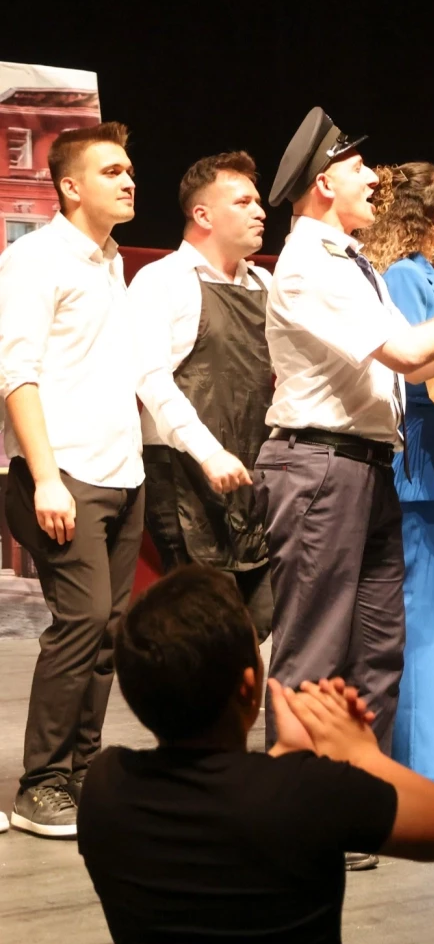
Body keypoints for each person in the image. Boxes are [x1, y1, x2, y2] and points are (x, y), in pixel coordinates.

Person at [256, 107, 434, 763]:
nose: (372, 181)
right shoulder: (309, 264)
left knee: (378, 647)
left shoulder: (349, 261)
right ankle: (295, 798)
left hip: (365, 465)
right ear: (324, 182)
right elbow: (408, 351)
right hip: (320, 465)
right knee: (314, 651)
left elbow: (420, 366)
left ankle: (358, 788)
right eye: (358, 168)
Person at [76, 565, 434, 944]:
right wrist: (362, 753)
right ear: (249, 687)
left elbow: (243, 802)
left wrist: (289, 758)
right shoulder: (307, 793)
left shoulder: (106, 787)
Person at [0, 122, 147, 838]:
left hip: (122, 471)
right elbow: (16, 373)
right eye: (112, 171)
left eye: (129, 170)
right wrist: (46, 478)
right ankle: (41, 784)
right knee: (82, 620)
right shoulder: (36, 259)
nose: (129, 181)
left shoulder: (111, 262)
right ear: (69, 187)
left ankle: (82, 771)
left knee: (110, 629)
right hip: (64, 474)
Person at [355, 161, 434, 795]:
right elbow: (411, 370)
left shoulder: (429, 275)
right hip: (420, 463)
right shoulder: (404, 275)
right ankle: (421, 762)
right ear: (426, 212)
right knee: (421, 612)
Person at [129, 151, 274, 642]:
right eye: (243, 202)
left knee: (260, 618)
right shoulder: (162, 279)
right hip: (186, 473)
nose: (260, 211)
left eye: (257, 201)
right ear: (203, 214)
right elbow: (151, 379)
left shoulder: (265, 283)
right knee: (206, 628)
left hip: (252, 475)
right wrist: (209, 453)